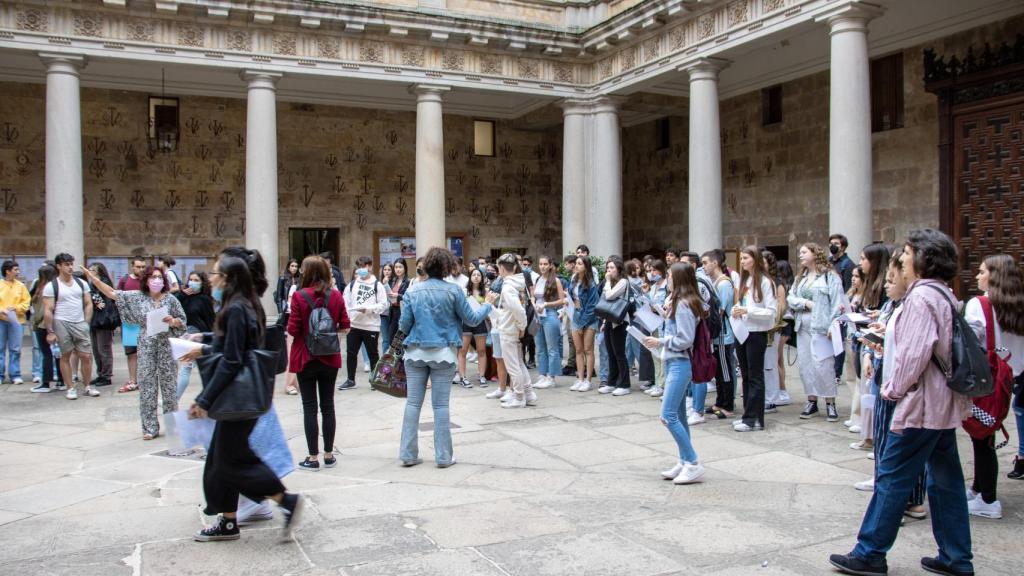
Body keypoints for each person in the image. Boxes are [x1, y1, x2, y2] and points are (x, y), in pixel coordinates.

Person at [829, 229, 973, 576]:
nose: (903, 260)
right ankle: (956, 556)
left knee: (892, 477)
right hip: (938, 406)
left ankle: (870, 552)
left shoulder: (922, 298)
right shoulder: (942, 294)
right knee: (945, 481)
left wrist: (891, 389)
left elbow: (913, 356)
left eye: (907, 253)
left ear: (924, 258)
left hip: (919, 406)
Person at [182, 251, 302, 542]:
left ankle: (284, 499)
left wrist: (204, 400)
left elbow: (233, 359)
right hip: (240, 397)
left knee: (230, 461)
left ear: (228, 278)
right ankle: (229, 521)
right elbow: (235, 346)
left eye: (214, 273)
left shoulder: (236, 308)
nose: (210, 279)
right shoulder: (245, 304)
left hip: (237, 397)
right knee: (223, 460)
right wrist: (206, 342)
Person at [399, 247, 493, 466]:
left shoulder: (413, 291)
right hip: (444, 353)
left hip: (415, 351)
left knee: (413, 404)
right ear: (446, 268)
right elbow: (471, 319)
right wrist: (487, 304)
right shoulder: (454, 291)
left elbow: (404, 325)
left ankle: (407, 454)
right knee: (440, 406)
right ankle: (443, 456)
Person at [83, 263, 186, 439]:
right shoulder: (138, 297)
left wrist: (173, 321)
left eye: (159, 277)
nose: (156, 280)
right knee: (147, 386)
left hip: (166, 346)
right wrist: (94, 279)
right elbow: (112, 293)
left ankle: (172, 425)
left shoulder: (170, 299)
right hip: (146, 345)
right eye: (153, 277)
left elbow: (182, 321)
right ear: (146, 280)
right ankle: (150, 427)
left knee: (169, 387)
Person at [963, 254, 1024, 518]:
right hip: (1013, 378)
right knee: (986, 433)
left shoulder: (980, 305)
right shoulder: (1017, 307)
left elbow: (969, 341)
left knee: (982, 435)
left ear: (994, 276)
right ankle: (979, 488)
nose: (977, 276)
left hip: (988, 379)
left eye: (982, 272)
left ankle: (988, 499)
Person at [645, 262, 706, 484]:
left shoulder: (684, 304)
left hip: (680, 363)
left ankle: (693, 461)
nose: (666, 278)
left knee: (667, 415)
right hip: (674, 361)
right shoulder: (679, 302)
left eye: (669, 275)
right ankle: (684, 460)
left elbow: (684, 338)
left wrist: (659, 341)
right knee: (678, 415)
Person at [287, 256, 350, 471]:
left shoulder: (299, 296)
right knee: (328, 405)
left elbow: (293, 330)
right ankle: (329, 455)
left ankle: (312, 457)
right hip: (330, 357)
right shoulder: (336, 296)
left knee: (309, 407)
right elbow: (345, 325)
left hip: (305, 357)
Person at [787, 243, 844, 422]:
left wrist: (832, 326)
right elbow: (791, 297)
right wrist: (804, 303)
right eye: (800, 252)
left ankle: (830, 402)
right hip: (802, 326)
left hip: (821, 327)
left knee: (824, 365)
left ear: (814, 253)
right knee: (805, 364)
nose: (801, 255)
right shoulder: (801, 277)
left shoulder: (829, 276)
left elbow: (837, 301)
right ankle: (811, 400)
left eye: (804, 252)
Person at [731, 246, 777, 432]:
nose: (742, 262)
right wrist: (737, 309)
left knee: (755, 376)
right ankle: (748, 415)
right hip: (742, 329)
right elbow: (742, 303)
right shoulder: (745, 280)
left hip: (756, 332)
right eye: (741, 259)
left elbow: (771, 312)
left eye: (746, 258)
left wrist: (748, 311)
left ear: (755, 260)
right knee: (746, 375)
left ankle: (754, 418)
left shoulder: (765, 282)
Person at [43, 253, 97, 400]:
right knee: (65, 355)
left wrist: (86, 322)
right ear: (59, 266)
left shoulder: (81, 283)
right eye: (66, 264)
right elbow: (48, 310)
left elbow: (88, 303)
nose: (70, 267)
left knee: (86, 355)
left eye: (71, 264)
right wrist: (50, 331)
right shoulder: (51, 286)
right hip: (61, 321)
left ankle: (87, 386)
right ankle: (70, 387)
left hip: (79, 321)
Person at [339, 256, 388, 390]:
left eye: (365, 266)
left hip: (371, 325)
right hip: (354, 325)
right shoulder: (352, 285)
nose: (362, 269)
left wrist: (368, 309)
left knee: (373, 353)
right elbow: (345, 302)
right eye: (360, 267)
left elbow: (383, 305)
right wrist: (348, 318)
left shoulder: (377, 285)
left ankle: (375, 380)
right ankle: (350, 379)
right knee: (351, 353)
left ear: (370, 267)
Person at [490, 253, 531, 408]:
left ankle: (519, 397)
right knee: (519, 363)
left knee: (513, 365)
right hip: (512, 327)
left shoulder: (508, 287)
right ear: (514, 267)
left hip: (509, 329)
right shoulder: (518, 283)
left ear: (501, 268)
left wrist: (522, 326)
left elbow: (518, 310)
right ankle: (528, 393)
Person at [701, 251, 736, 417]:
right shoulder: (716, 283)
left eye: (706, 262)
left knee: (725, 371)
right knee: (719, 372)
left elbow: (719, 311)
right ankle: (720, 401)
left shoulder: (723, 284)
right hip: (717, 335)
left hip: (723, 334)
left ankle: (728, 405)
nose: (704, 266)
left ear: (715, 263)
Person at [174, 271, 217, 400]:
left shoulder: (205, 299)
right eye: (191, 279)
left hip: (198, 336)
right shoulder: (185, 297)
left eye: (196, 280)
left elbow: (210, 320)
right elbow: (174, 306)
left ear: (202, 283)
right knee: (186, 369)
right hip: (187, 335)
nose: (192, 282)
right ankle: (174, 400)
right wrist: (182, 294)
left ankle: (210, 399)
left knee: (194, 369)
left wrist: (211, 338)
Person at [599, 257, 632, 396]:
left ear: (619, 269)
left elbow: (610, 297)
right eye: (608, 268)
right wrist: (605, 322)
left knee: (619, 353)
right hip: (609, 320)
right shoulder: (610, 282)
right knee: (610, 352)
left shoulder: (623, 282)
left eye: (612, 268)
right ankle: (612, 382)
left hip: (619, 321)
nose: (609, 270)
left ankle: (624, 384)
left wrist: (607, 281)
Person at [569, 255, 601, 392]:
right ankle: (580, 378)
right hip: (576, 315)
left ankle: (588, 379)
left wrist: (582, 324)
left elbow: (592, 307)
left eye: (580, 264)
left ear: (586, 267)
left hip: (588, 318)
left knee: (588, 349)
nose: (576, 266)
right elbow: (572, 297)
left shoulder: (591, 284)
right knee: (578, 349)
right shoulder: (574, 280)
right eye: (576, 263)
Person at [117, 257, 147, 393]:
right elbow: (118, 299)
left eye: (143, 267)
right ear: (132, 267)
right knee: (131, 354)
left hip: (145, 323)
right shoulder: (124, 280)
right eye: (138, 266)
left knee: (146, 353)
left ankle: (145, 380)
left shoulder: (148, 281)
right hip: (129, 324)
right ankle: (133, 380)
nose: (141, 269)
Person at [29, 265, 61, 393]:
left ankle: (46, 383)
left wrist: (38, 323)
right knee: (58, 353)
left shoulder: (45, 289)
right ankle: (61, 380)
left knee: (46, 354)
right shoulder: (55, 287)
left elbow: (42, 311)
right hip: (54, 324)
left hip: (43, 325)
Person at [456, 268, 490, 388]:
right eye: (474, 274)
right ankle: (462, 377)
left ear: (482, 278)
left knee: (481, 350)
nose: (476, 276)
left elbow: (489, 307)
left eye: (478, 275)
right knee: (463, 351)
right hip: (466, 322)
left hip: (480, 322)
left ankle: (482, 376)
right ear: (470, 277)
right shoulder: (464, 291)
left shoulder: (485, 292)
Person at [87, 262, 119, 387]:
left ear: (99, 272)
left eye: (93, 270)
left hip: (104, 320)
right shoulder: (91, 284)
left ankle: (106, 375)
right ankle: (100, 373)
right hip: (95, 320)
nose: (90, 272)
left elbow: (104, 300)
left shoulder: (103, 283)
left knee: (103, 348)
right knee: (96, 349)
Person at [0, 260, 30, 385]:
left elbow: (26, 302)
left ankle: (15, 374)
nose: (18, 272)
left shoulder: (21, 286)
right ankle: (0, 375)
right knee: (0, 349)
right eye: (15, 270)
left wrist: (16, 308)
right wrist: (2, 310)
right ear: (7, 271)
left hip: (17, 320)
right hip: (1, 320)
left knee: (16, 349)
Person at [643, 259, 670, 399]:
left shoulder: (666, 285)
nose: (652, 273)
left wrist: (656, 307)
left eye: (655, 270)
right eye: (650, 271)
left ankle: (663, 384)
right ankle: (658, 382)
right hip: (653, 322)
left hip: (663, 323)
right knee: (655, 354)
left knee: (662, 354)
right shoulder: (653, 287)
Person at [773, 259, 795, 406]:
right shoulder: (790, 284)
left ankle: (782, 389)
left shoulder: (782, 286)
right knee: (778, 358)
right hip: (787, 323)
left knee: (777, 358)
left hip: (784, 323)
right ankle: (780, 388)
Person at [386, 258, 411, 347]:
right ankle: (395, 360)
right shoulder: (393, 281)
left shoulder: (409, 281)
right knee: (391, 339)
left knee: (401, 339)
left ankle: (401, 360)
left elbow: (409, 297)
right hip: (393, 311)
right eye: (396, 267)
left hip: (402, 311)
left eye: (400, 267)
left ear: (405, 268)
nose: (398, 269)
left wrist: (398, 296)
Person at [378, 263, 395, 353]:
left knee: (392, 338)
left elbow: (392, 297)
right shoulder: (379, 283)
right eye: (385, 269)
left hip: (393, 313)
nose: (387, 272)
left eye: (389, 270)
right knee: (385, 339)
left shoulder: (395, 282)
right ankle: (384, 359)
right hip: (383, 314)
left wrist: (386, 284)